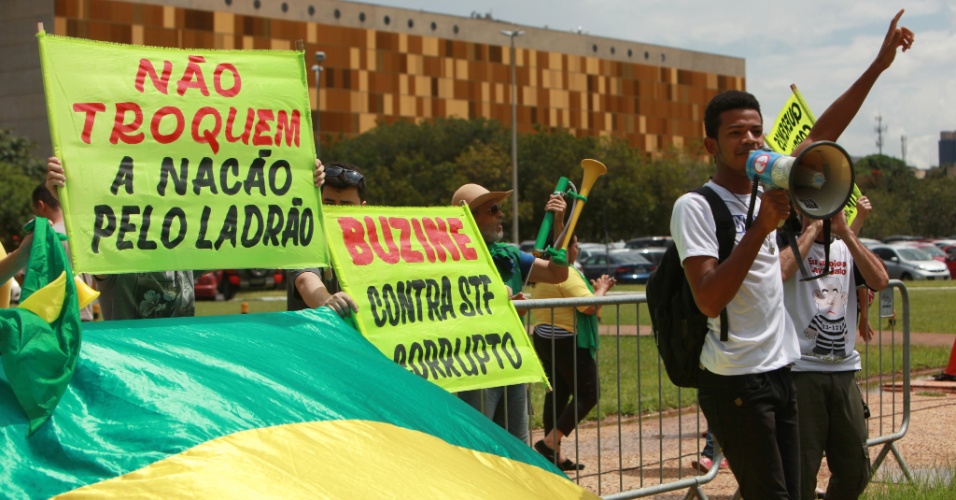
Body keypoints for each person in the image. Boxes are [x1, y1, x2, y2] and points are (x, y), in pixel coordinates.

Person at [670, 10, 912, 498]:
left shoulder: (768, 188)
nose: (750, 140)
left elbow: (826, 132)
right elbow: (709, 299)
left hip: (781, 371)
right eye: (735, 133)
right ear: (709, 145)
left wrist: (879, 64)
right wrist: (761, 229)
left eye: (755, 130)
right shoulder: (696, 206)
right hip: (737, 381)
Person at [46, 157, 326, 320]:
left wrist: (299, 182)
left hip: (182, 367)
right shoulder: (116, 259)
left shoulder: (186, 254)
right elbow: (87, 228)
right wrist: (66, 195)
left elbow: (251, 231)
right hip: (133, 368)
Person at [780, 207, 888, 500]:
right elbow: (778, 273)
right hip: (800, 374)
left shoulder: (845, 247)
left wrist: (847, 233)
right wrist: (811, 229)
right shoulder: (783, 241)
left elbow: (880, 280)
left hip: (843, 372)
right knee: (800, 471)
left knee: (856, 468)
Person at [451, 182, 569, 443]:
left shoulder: (509, 255)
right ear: (469, 217)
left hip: (513, 362)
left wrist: (559, 222)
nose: (500, 214)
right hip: (475, 366)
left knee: (518, 445)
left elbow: (557, 273)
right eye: (493, 210)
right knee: (477, 444)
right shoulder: (451, 258)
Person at [531, 233, 614, 471]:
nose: (578, 250)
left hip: (544, 337)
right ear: (566, 250)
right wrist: (602, 289)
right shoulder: (564, 272)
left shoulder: (542, 271)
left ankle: (553, 455)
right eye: (576, 246)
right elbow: (588, 306)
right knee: (589, 394)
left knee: (557, 394)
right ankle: (549, 443)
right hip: (566, 339)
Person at [287, 162, 364, 317]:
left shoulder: (374, 244)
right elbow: (305, 281)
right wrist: (327, 301)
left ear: (362, 208)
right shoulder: (304, 237)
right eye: (328, 204)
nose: (335, 212)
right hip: (313, 338)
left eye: (345, 206)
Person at [31, 183, 95, 321]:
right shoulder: (84, 233)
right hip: (85, 313)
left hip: (57, 319)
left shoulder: (46, 236)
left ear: (41, 205)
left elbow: (29, 278)